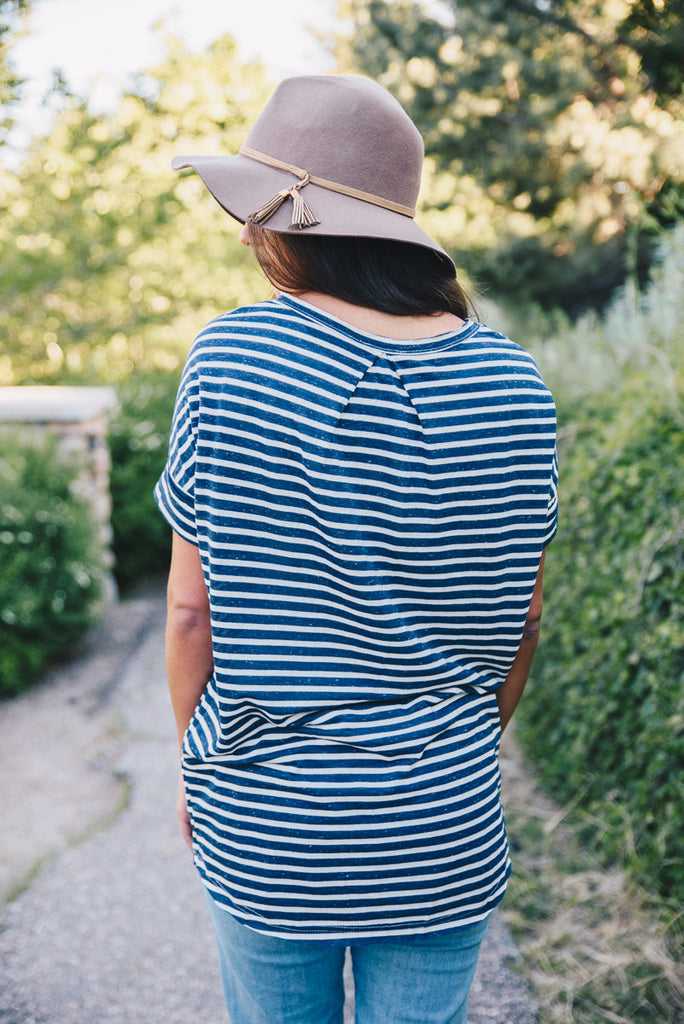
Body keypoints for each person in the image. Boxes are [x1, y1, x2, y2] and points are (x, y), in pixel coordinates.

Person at [155, 74, 558, 1024]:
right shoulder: (514, 382)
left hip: (269, 817)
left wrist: (195, 763)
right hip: (443, 825)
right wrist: (452, 757)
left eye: (258, 210)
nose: (248, 233)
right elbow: (525, 619)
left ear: (304, 220)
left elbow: (187, 610)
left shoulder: (233, 359)